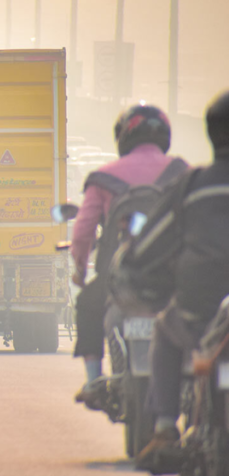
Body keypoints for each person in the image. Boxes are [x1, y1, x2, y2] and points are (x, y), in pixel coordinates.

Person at [128, 91, 229, 470]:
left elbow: (148, 247)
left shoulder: (193, 186)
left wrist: (133, 268)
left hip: (197, 314)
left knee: (165, 332)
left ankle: (166, 427)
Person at [70, 104, 186, 402]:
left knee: (87, 304)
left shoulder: (103, 178)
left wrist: (81, 272)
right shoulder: (182, 172)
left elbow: (82, 233)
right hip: (172, 277)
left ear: (123, 137)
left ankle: (94, 380)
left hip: (118, 279)